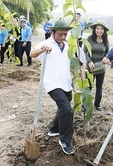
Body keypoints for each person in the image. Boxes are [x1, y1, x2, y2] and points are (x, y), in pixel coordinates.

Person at [29, 20, 75, 155]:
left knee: (64, 106)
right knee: (67, 110)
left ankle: (54, 128)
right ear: (52, 32)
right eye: (60, 34)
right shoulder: (46, 44)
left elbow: (69, 63)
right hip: (52, 83)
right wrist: (42, 49)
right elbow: (32, 53)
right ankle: (65, 140)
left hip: (66, 82)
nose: (62, 37)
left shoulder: (66, 46)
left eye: (65, 34)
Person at [83, 21, 110, 111]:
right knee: (88, 86)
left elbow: (107, 52)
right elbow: (84, 52)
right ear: (94, 30)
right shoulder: (89, 39)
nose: (99, 31)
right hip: (90, 67)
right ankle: (85, 104)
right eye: (97, 28)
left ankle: (97, 104)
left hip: (100, 67)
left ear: (104, 31)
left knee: (99, 86)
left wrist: (106, 57)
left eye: (101, 29)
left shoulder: (105, 40)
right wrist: (89, 61)